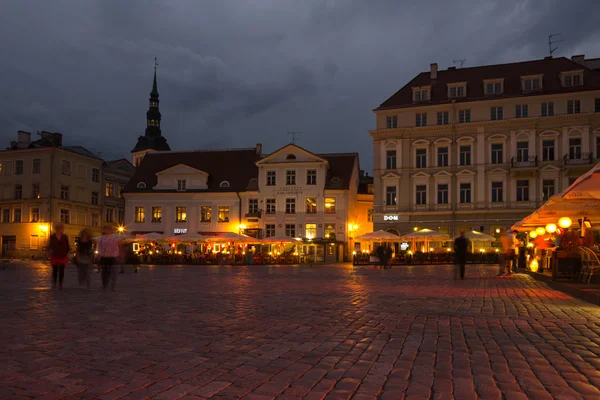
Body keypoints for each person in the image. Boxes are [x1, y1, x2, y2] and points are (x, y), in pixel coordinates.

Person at [96, 225, 121, 291]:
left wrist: (116, 255)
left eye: (109, 229)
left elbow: (116, 248)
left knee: (113, 273)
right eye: (106, 229)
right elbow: (99, 247)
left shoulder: (114, 238)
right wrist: (99, 255)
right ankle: (105, 285)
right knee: (104, 273)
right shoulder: (101, 239)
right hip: (104, 257)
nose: (108, 231)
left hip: (112, 257)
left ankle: (112, 287)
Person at [48, 222, 70, 290]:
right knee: (54, 270)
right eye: (61, 227)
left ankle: (60, 284)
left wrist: (68, 253)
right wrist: (50, 252)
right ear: (57, 228)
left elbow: (67, 246)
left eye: (62, 228)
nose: (62, 229)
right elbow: (50, 245)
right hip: (55, 255)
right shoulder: (52, 236)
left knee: (61, 270)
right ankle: (54, 283)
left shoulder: (65, 236)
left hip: (63, 255)